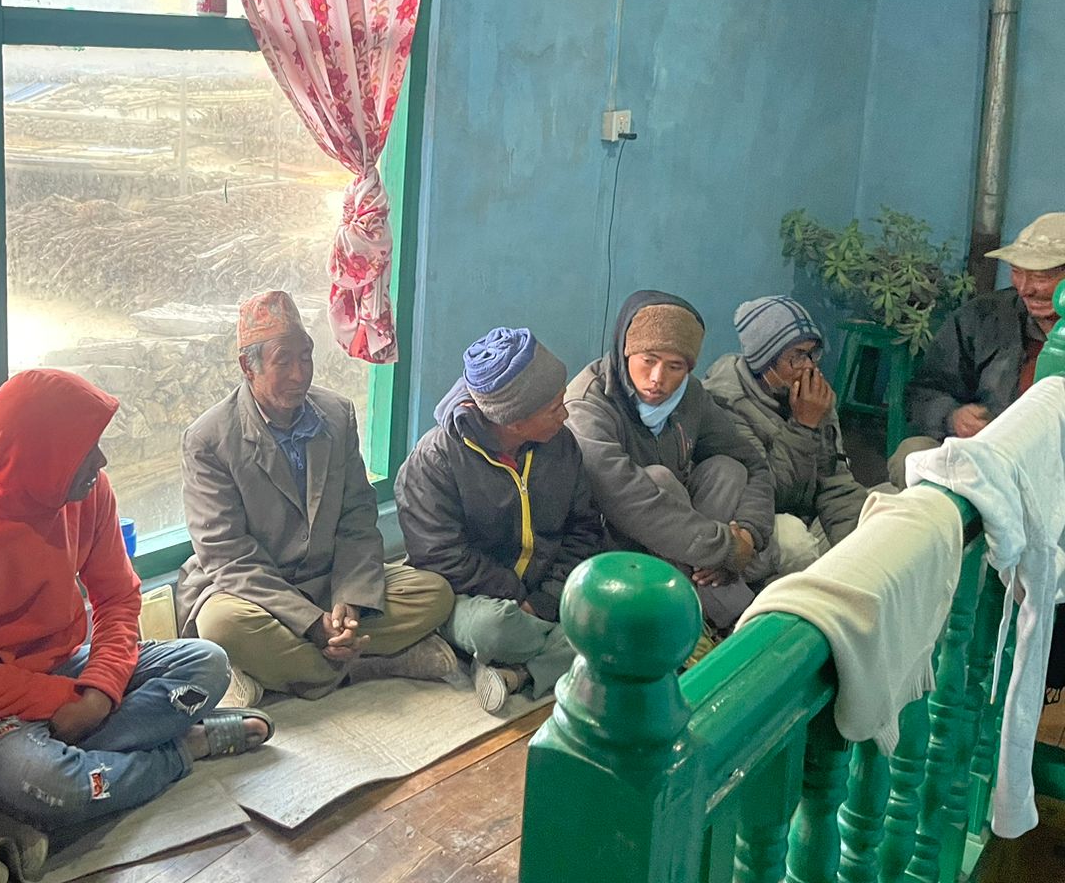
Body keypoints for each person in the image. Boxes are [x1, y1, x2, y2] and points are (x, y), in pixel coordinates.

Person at [0, 369, 270, 835]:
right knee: (48, 783)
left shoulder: (90, 493)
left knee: (209, 665)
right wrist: (70, 700)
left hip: (73, 670)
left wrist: (98, 690)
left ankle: (51, 778)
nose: (101, 460)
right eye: (84, 450)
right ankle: (184, 748)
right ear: (41, 455)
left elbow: (118, 598)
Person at [177, 290, 456, 704]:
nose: (299, 374)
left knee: (434, 594)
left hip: (327, 580)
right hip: (253, 592)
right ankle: (370, 663)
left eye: (305, 357)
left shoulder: (336, 415)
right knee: (221, 628)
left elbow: (358, 519)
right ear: (247, 368)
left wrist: (350, 602)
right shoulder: (209, 439)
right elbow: (228, 556)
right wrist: (312, 623)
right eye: (282, 361)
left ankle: (288, 670)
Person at [394, 327, 599, 713]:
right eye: (555, 407)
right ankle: (562, 654)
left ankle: (516, 673)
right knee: (495, 630)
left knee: (610, 613)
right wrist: (515, 594)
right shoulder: (435, 460)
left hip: (541, 592)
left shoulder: (560, 445)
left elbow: (584, 530)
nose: (566, 414)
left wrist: (545, 600)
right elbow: (440, 557)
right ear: (514, 421)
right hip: (472, 598)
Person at [564, 290, 777, 631]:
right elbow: (625, 498)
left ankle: (707, 595)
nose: (658, 379)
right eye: (648, 359)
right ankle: (727, 617)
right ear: (625, 351)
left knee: (727, 469)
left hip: (688, 541)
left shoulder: (690, 395)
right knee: (658, 479)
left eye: (675, 366)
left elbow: (752, 464)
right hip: (612, 545)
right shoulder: (590, 401)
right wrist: (722, 548)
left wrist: (749, 536)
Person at [705, 296, 879, 570]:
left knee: (881, 512)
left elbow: (835, 482)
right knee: (795, 542)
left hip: (808, 514)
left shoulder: (809, 395)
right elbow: (767, 492)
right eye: (796, 356)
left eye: (811, 354)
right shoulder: (725, 403)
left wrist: (864, 547)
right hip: (756, 526)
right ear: (765, 362)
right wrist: (803, 426)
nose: (809, 366)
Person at [893, 212, 1065, 486]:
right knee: (911, 454)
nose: (1025, 289)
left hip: (1054, 469)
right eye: (1018, 272)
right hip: (984, 457)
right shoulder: (982, 318)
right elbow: (924, 390)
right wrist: (952, 415)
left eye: (1041, 277)